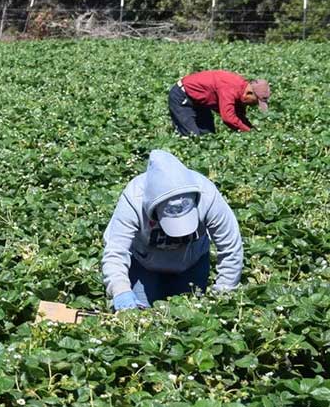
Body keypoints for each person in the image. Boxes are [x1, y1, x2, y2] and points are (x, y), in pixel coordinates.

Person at [102, 149, 242, 311]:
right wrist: (120, 290)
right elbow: (115, 250)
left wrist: (223, 295)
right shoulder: (134, 199)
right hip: (143, 265)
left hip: (192, 263)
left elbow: (230, 246)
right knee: (140, 319)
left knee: (189, 316)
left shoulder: (207, 196)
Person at [169, 70, 270, 135]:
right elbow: (228, 118)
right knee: (191, 136)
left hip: (200, 102)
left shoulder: (241, 90)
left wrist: (251, 129)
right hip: (183, 95)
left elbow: (239, 115)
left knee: (208, 135)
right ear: (249, 93)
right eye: (255, 102)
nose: (253, 105)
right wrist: (248, 132)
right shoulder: (230, 87)